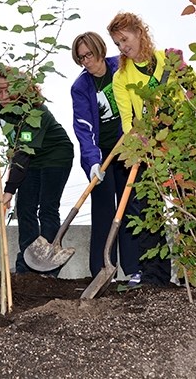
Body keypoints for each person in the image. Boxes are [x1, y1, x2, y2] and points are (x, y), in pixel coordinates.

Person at [107, 12, 196, 286]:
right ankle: (156, 276)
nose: (122, 47)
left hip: (182, 141)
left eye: (125, 39)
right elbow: (128, 121)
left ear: (140, 33)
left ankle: (195, 275)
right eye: (117, 43)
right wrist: (136, 138)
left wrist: (184, 70)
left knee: (190, 205)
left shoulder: (168, 60)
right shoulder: (121, 77)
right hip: (150, 148)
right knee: (148, 209)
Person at [70, 32, 144, 284]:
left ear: (99, 50)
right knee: (104, 210)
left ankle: (135, 268)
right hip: (102, 154)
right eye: (81, 58)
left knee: (131, 205)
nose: (86, 62)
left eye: (89, 55)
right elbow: (83, 128)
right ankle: (101, 270)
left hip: (129, 147)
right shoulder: (81, 87)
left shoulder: (120, 66)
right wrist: (92, 162)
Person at [0, 66, 74, 276]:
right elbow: (15, 144)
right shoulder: (0, 107)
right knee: (25, 207)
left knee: (47, 208)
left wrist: (9, 189)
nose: (1, 96)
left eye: (5, 90)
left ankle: (47, 267)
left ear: (19, 88)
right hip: (30, 158)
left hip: (56, 155)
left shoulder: (35, 110)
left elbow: (23, 153)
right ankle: (27, 267)